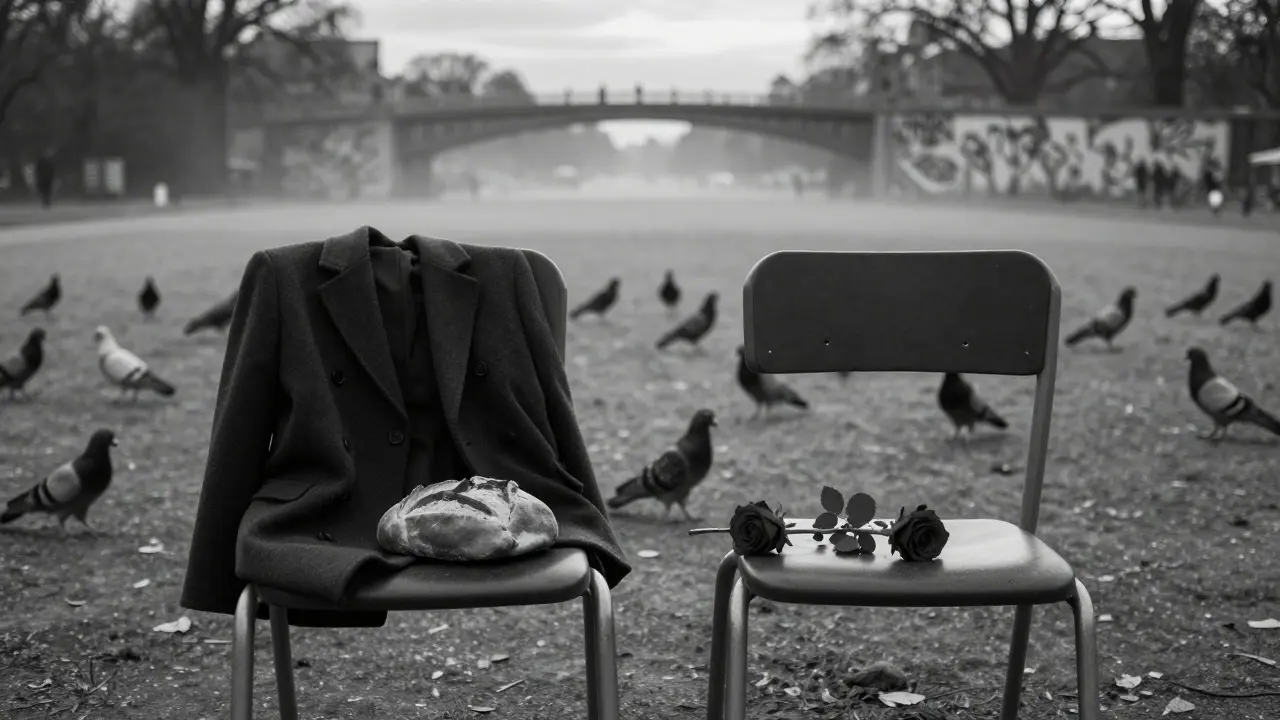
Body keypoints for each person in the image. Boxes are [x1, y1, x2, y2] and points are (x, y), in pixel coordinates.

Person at [180, 229, 631, 627]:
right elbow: (240, 424)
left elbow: (553, 402)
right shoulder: (279, 277)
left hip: (494, 503)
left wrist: (586, 517)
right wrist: (214, 570)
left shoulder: (510, 274)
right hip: (322, 514)